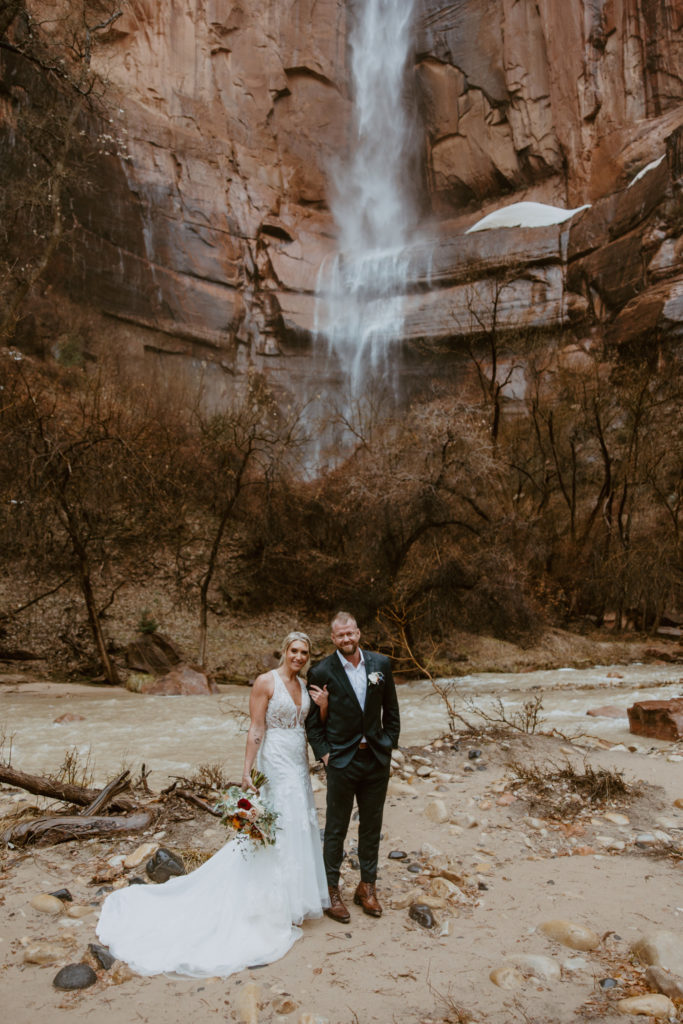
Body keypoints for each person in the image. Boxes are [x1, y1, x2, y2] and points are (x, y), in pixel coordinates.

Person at [96, 631, 329, 977]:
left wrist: (322, 707)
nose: (299, 656)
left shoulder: (306, 685)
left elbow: (310, 727)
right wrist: (246, 772)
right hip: (275, 763)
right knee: (273, 828)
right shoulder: (267, 682)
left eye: (304, 652)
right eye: (294, 650)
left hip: (297, 763)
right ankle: (267, 903)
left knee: (299, 824)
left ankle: (294, 900)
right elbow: (255, 729)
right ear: (284, 651)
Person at [305, 612, 400, 922]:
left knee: (372, 826)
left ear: (359, 633)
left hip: (375, 759)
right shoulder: (321, 671)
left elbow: (392, 711)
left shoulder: (381, 665)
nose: (346, 639)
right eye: (340, 636)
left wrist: (388, 746)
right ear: (333, 639)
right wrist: (325, 756)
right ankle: (332, 891)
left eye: (351, 634)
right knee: (335, 828)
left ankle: (367, 887)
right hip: (342, 762)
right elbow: (312, 725)